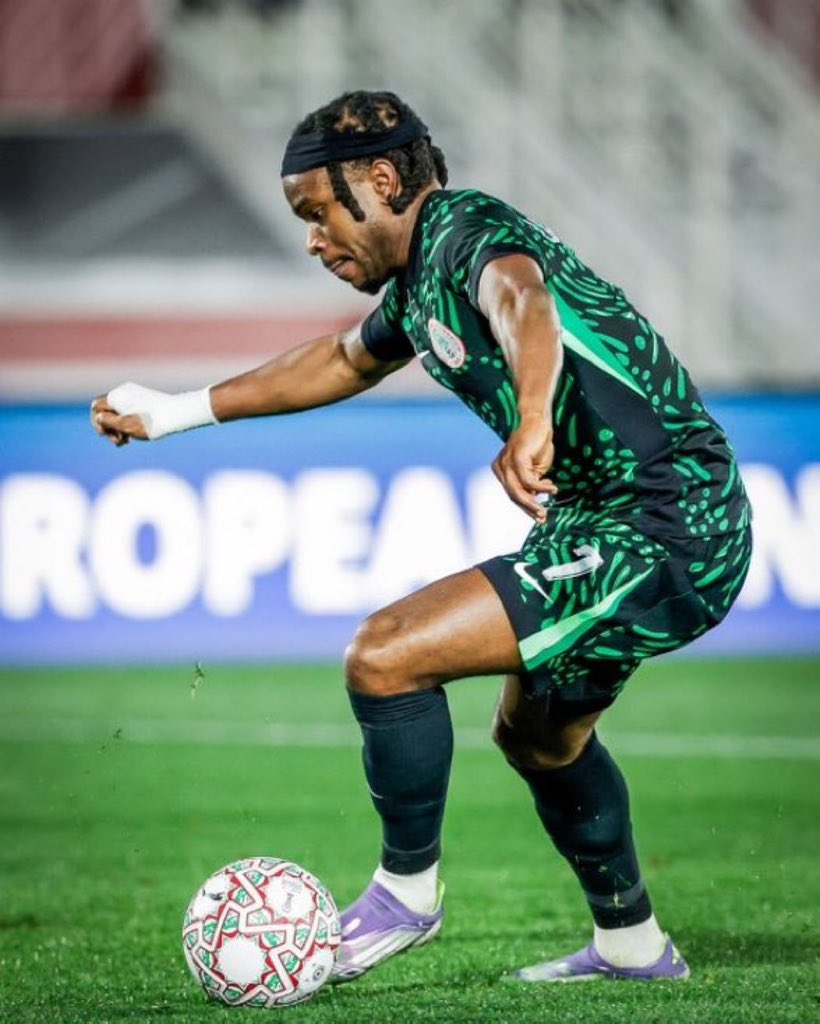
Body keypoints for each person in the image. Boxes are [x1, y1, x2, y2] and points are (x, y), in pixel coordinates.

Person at [91, 90, 752, 984]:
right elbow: (338, 361)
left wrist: (531, 417)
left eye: (318, 213)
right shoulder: (413, 290)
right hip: (608, 521)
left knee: (386, 655)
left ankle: (406, 894)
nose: (314, 240)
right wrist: (173, 412)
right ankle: (633, 946)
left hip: (668, 520)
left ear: (381, 178)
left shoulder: (465, 230)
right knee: (539, 740)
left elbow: (522, 300)